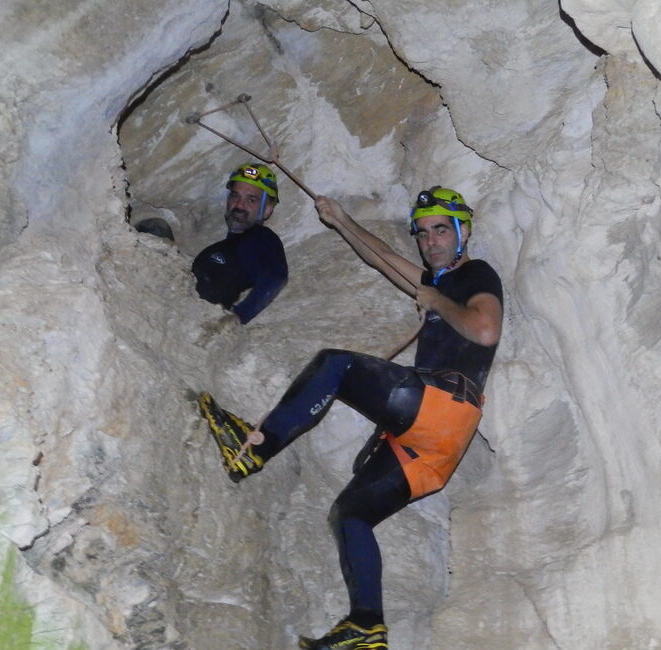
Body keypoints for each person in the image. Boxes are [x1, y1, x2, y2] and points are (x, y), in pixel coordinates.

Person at [201, 186, 503, 649]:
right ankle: (366, 625)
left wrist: (436, 301)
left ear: (463, 232)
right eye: (422, 234)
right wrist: (340, 220)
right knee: (349, 514)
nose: (431, 241)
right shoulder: (436, 281)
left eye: (441, 229)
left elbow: (484, 330)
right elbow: (384, 259)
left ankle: (257, 448)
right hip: (436, 447)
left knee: (335, 364)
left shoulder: (474, 275)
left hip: (445, 406)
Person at [191, 163, 288, 323]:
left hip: (196, 317)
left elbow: (276, 276)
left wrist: (237, 317)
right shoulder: (224, 246)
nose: (239, 205)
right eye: (235, 196)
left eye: (251, 199)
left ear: (267, 210)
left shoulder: (260, 238)